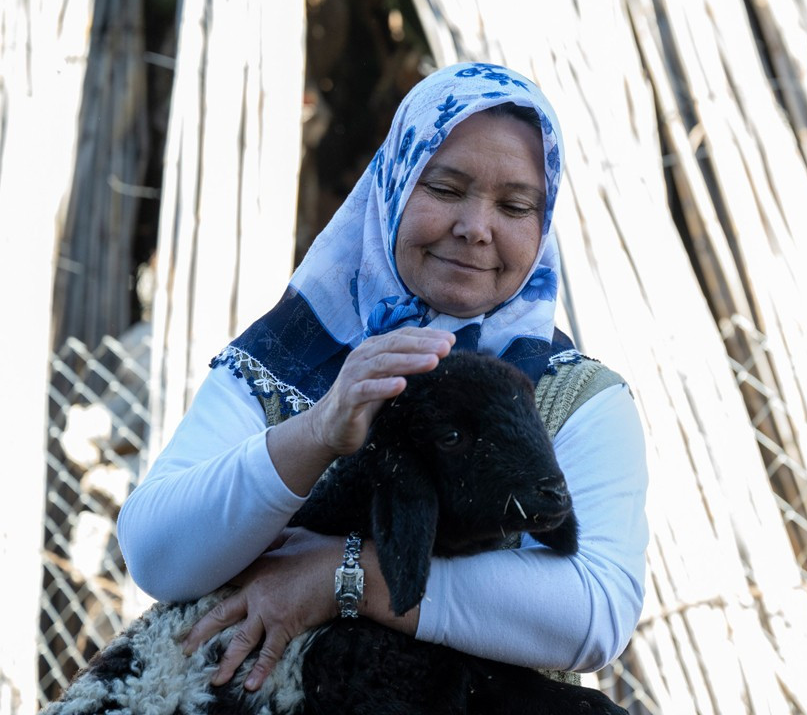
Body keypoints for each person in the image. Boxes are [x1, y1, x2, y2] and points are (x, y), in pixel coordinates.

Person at [116, 62, 649, 694]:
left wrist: (346, 579)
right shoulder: (289, 360)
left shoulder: (576, 400)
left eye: (514, 205)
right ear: (392, 185)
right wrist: (318, 430)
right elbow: (155, 554)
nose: (476, 228)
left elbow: (596, 611)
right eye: (446, 189)